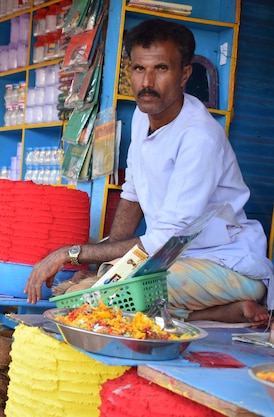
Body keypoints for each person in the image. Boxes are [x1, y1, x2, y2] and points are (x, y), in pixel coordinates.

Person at [24, 19, 274, 325]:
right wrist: (108, 261)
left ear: (184, 74)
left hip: (226, 265)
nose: (147, 82)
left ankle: (245, 295)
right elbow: (132, 196)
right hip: (173, 259)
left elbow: (165, 239)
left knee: (110, 296)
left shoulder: (199, 137)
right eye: (139, 69)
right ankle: (219, 312)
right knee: (100, 283)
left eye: (161, 69)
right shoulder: (145, 117)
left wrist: (69, 254)